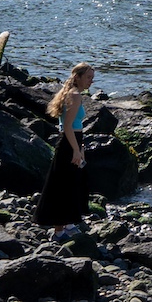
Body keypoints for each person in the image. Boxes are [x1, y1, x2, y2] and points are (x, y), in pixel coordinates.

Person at [37, 62, 96, 236]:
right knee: (63, 183)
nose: (91, 81)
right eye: (88, 77)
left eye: (92, 78)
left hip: (73, 141)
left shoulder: (72, 93)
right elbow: (67, 126)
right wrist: (76, 150)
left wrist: (80, 147)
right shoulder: (75, 95)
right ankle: (59, 230)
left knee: (71, 182)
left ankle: (68, 224)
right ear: (77, 77)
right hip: (69, 142)